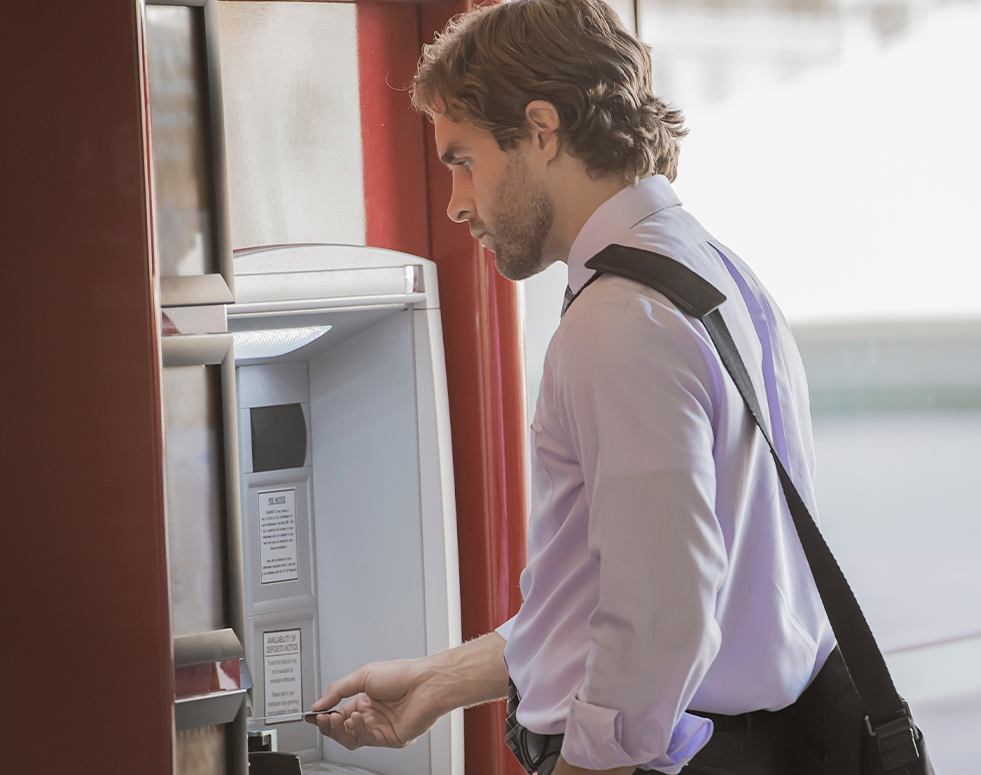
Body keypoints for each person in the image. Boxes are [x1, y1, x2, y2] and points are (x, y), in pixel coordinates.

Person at [307, 1, 836, 773]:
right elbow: (640, 588)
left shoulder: (621, 320)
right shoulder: (712, 272)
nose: (457, 201)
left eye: (463, 159)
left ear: (543, 131)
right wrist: (441, 678)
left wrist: (588, 767)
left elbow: (662, 616)